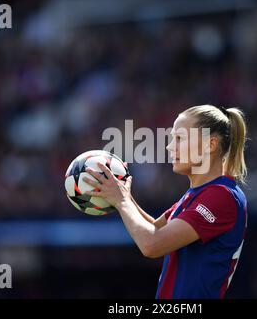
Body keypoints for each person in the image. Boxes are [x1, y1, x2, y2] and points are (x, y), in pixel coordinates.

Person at [83, 104, 248, 299]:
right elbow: (154, 228)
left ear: (210, 145)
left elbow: (151, 245)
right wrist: (125, 196)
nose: (170, 146)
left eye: (179, 138)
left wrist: (122, 201)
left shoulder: (221, 196)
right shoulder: (199, 194)